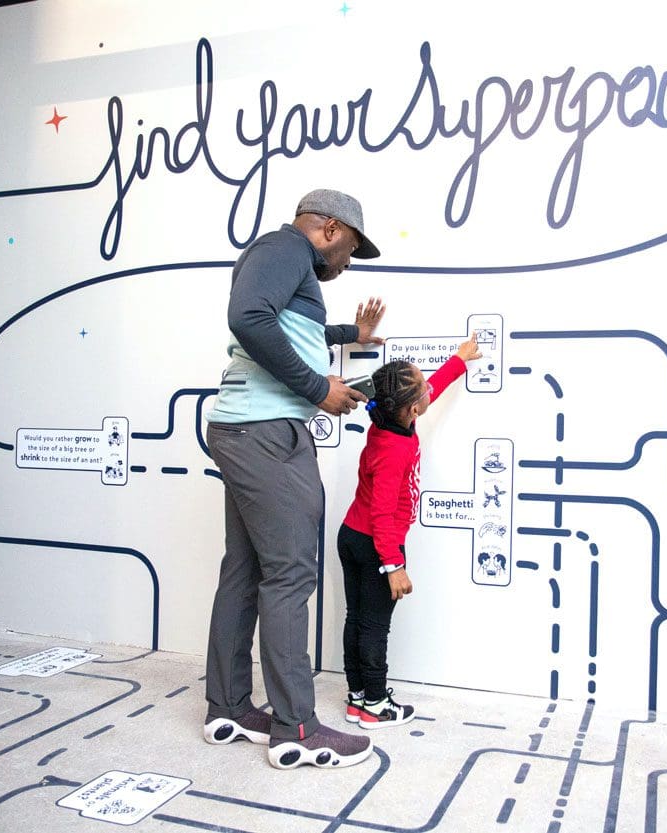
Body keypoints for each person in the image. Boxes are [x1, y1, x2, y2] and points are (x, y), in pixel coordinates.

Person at [203, 188, 385, 770]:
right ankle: (296, 731)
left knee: (247, 569)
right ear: (329, 229)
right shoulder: (287, 248)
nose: (347, 263)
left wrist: (346, 337)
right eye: (351, 249)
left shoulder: (279, 259)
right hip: (268, 432)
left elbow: (283, 322)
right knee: (288, 575)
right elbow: (248, 318)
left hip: (244, 429)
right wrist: (316, 388)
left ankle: (228, 707)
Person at [337, 334, 481, 728]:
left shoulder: (389, 421)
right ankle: (376, 704)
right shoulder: (393, 449)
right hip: (374, 543)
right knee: (374, 626)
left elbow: (432, 388)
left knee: (358, 618)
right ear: (413, 409)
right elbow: (383, 515)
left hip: (354, 535)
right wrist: (393, 565)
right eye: (421, 387)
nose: (428, 388)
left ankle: (357, 697)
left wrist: (458, 359)